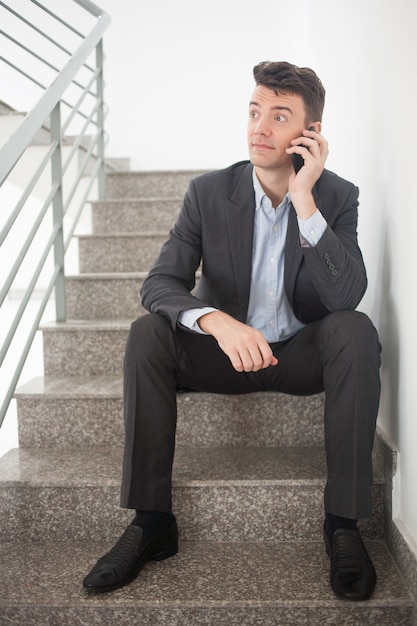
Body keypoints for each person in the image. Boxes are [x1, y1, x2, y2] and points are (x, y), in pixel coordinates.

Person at [83, 61, 381, 601]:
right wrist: (217, 322)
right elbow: (160, 283)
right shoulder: (207, 193)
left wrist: (306, 200)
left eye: (279, 115)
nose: (259, 127)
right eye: (253, 112)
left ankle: (343, 523)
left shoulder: (337, 197)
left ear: (310, 134)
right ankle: (151, 522)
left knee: (355, 331)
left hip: (297, 355)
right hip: (223, 355)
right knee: (147, 333)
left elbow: (344, 297)